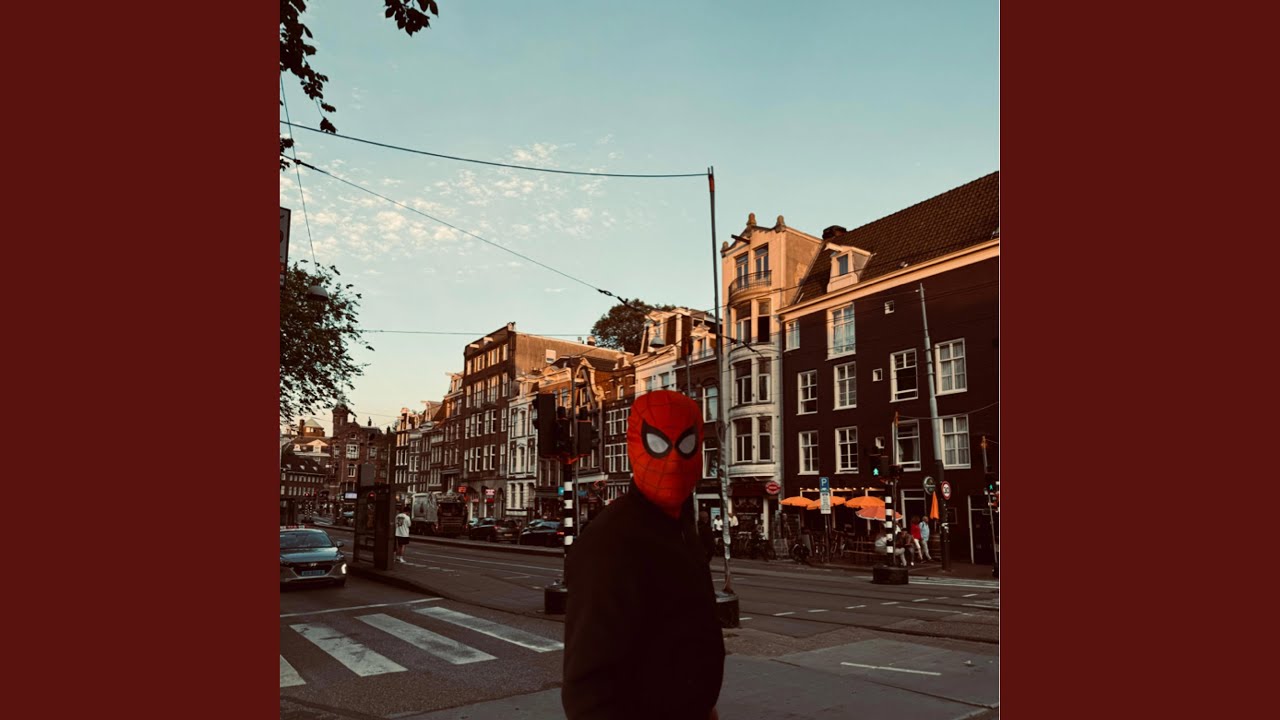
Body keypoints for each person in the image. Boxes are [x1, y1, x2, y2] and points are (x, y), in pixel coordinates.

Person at [562, 391, 724, 720]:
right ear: (635, 445)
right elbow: (589, 691)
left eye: (687, 445)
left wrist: (703, 705)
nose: (674, 461)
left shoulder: (682, 529)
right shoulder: (610, 542)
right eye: (658, 444)